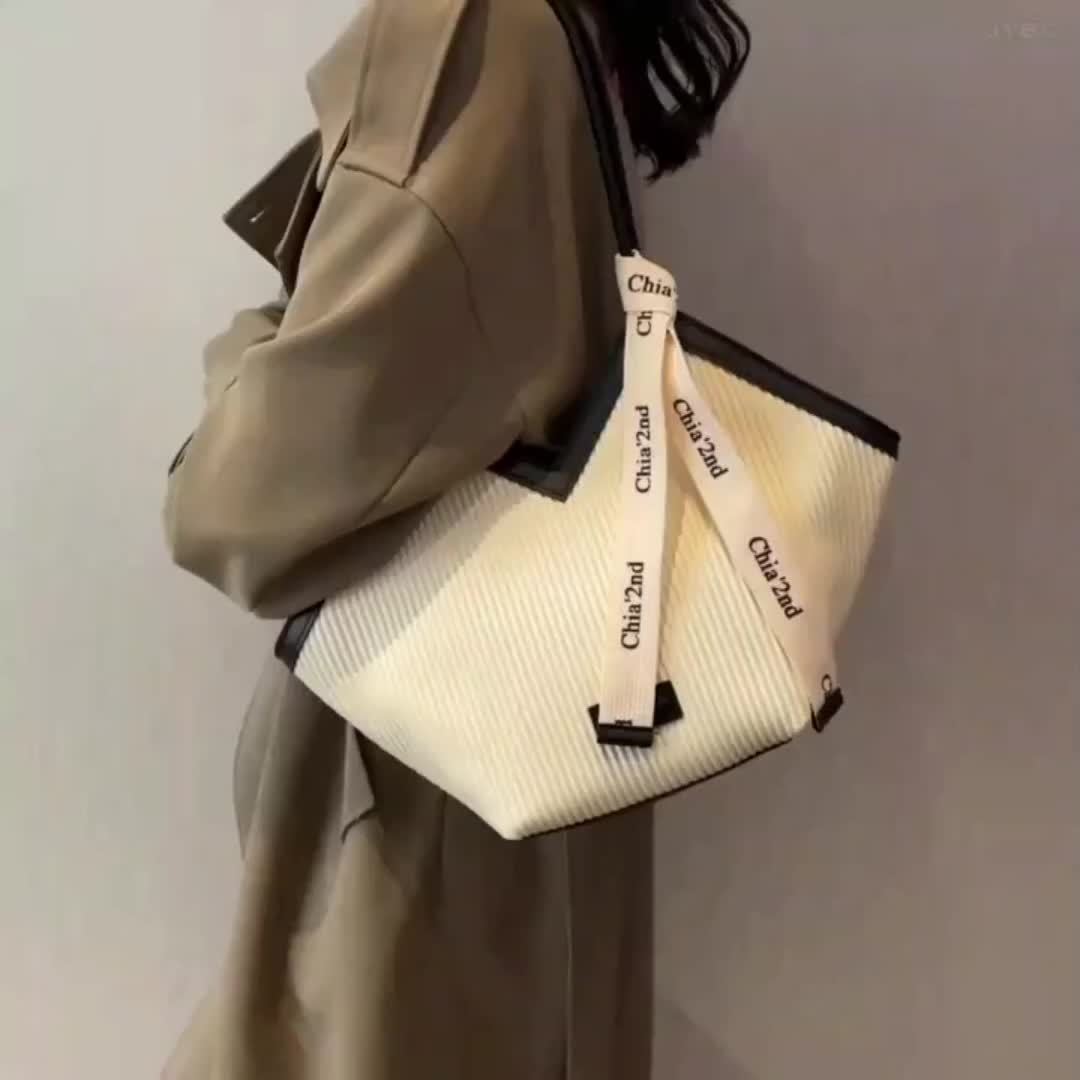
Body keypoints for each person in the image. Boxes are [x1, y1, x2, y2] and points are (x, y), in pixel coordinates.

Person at [162, 0, 748, 1076]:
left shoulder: (471, 40)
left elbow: (235, 505)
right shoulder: (541, 29)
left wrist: (242, 351)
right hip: (511, 803)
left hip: (422, 843)